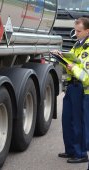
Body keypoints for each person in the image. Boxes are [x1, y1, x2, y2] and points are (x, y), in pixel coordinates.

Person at [53, 17, 89, 163]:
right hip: (72, 87)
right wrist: (61, 57)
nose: (76, 33)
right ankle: (70, 150)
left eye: (79, 31)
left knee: (78, 122)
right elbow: (72, 59)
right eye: (75, 30)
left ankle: (80, 153)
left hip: (81, 89)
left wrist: (73, 68)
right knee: (67, 120)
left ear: (88, 31)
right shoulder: (77, 45)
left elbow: (86, 76)